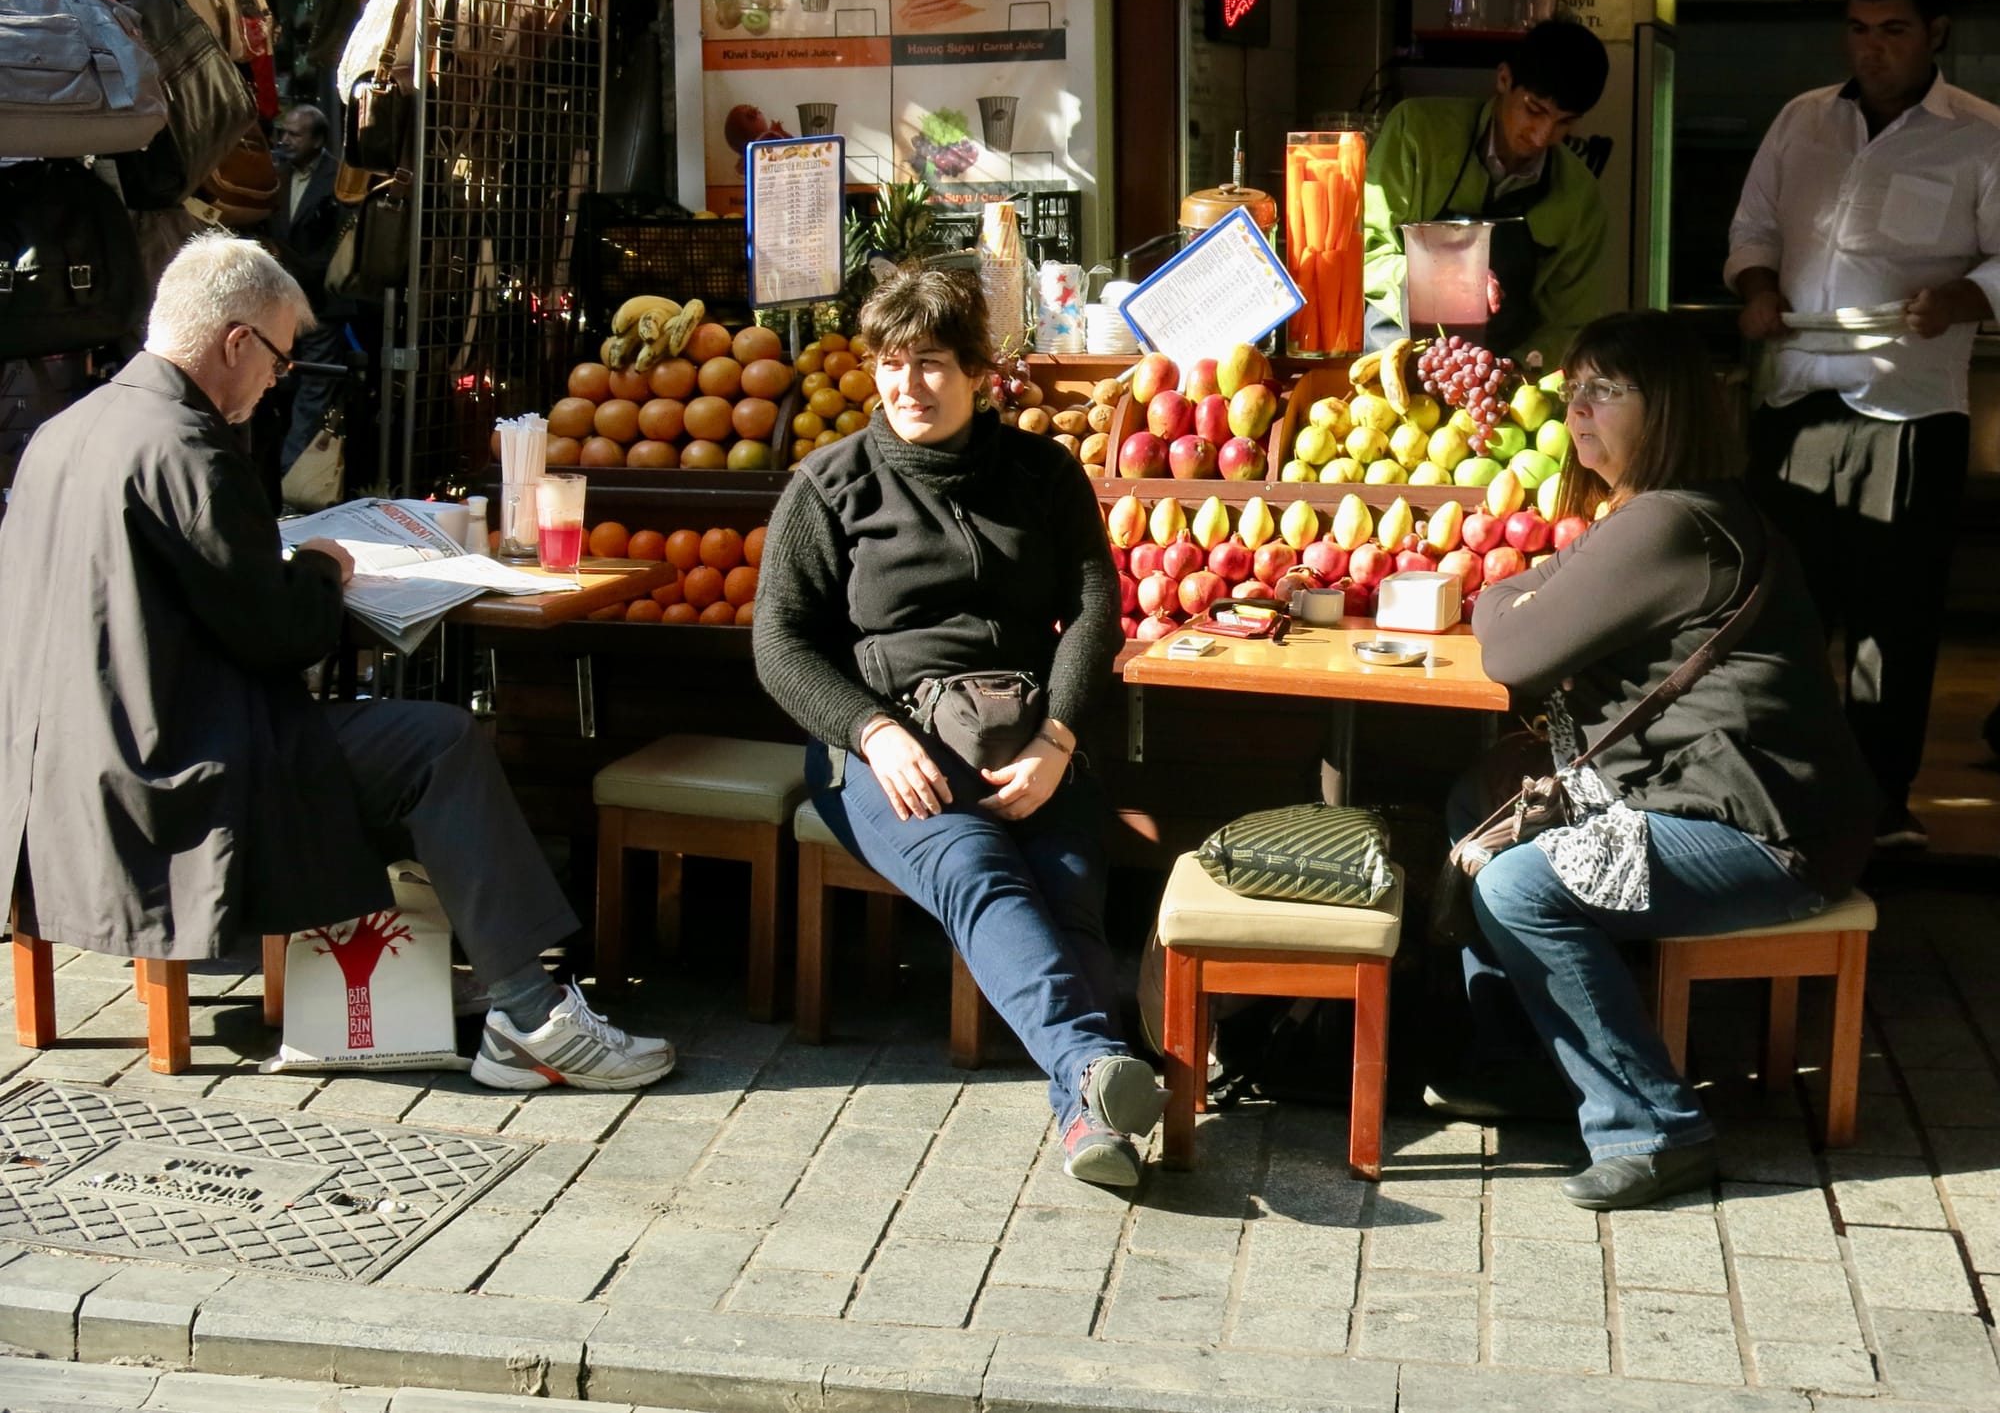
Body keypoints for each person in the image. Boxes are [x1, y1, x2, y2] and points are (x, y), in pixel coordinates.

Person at [0, 234, 673, 1094]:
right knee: (439, 744)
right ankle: (527, 1011)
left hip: (57, 774)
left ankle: (458, 970)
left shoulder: (65, 429)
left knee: (402, 742)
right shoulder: (188, 449)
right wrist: (322, 568)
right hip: (175, 771)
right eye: (280, 357)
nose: (280, 377)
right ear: (235, 342)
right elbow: (282, 636)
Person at [1427, 310, 1877, 1212]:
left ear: (1666, 404)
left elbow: (1511, 649)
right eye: (1572, 391)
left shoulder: (1671, 523)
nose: (1578, 410)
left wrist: (1505, 594)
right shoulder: (1663, 512)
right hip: (1713, 798)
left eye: (1605, 390)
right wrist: (1524, 592)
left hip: (1767, 831)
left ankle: (1656, 1130)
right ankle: (1522, 1061)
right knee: (1478, 797)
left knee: (1520, 885)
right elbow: (1529, 609)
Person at [752, 266, 1164, 1188]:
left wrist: (1058, 739)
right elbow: (779, 645)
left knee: (1066, 884)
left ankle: (1088, 1121)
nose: (909, 386)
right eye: (892, 364)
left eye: (932, 363)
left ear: (977, 370)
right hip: (885, 749)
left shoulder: (1040, 473)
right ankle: (1096, 1071)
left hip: (1023, 737)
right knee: (974, 869)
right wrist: (870, 733)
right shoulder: (831, 487)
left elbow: (1095, 610)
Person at [1727, 0, 2000, 853]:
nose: (1870, 46)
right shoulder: (1803, 119)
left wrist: (1958, 297)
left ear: (1937, 33)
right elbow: (1753, 227)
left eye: (1891, 29)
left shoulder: (1982, 135)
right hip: (1797, 395)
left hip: (1909, 411)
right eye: (1857, 28)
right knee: (1791, 611)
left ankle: (1883, 804)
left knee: (1896, 618)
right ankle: (1783, 792)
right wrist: (1759, 288)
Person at [1362, 19, 1611, 367]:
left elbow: (1570, 322)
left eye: (1563, 123)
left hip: (1500, 373)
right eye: (1534, 110)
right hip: (1395, 355)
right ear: (1504, 79)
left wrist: (1514, 372)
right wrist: (1442, 278)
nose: (1541, 136)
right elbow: (1363, 250)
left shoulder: (1579, 197)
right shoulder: (1417, 133)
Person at [262, 105, 353, 479]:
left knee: (312, 398)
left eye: (294, 134)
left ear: (317, 140)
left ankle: (292, 480)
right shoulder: (272, 172)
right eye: (282, 132)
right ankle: (269, 475)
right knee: (272, 389)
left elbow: (338, 246)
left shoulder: (339, 180)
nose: (284, 140)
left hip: (319, 305)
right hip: (274, 302)